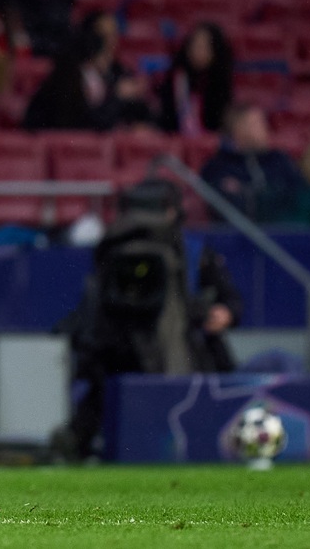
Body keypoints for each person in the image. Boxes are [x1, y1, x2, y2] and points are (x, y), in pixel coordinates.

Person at [56, 178, 242, 460]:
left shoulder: (193, 253)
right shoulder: (113, 250)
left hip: (182, 345)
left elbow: (231, 300)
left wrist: (224, 313)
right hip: (119, 347)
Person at [23, 11, 154, 131]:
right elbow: (83, 124)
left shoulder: (119, 72)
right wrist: (117, 97)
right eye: (102, 35)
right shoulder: (69, 73)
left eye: (113, 34)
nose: (108, 41)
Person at [200, 104, 310, 223]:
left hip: (287, 230)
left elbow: (301, 194)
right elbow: (224, 207)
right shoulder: (217, 166)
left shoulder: (280, 160)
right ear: (239, 128)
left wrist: (247, 192)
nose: (265, 128)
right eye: (258, 123)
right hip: (239, 236)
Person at [158, 21, 235, 136]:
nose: (198, 50)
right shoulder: (176, 78)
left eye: (204, 46)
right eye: (195, 44)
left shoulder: (221, 84)